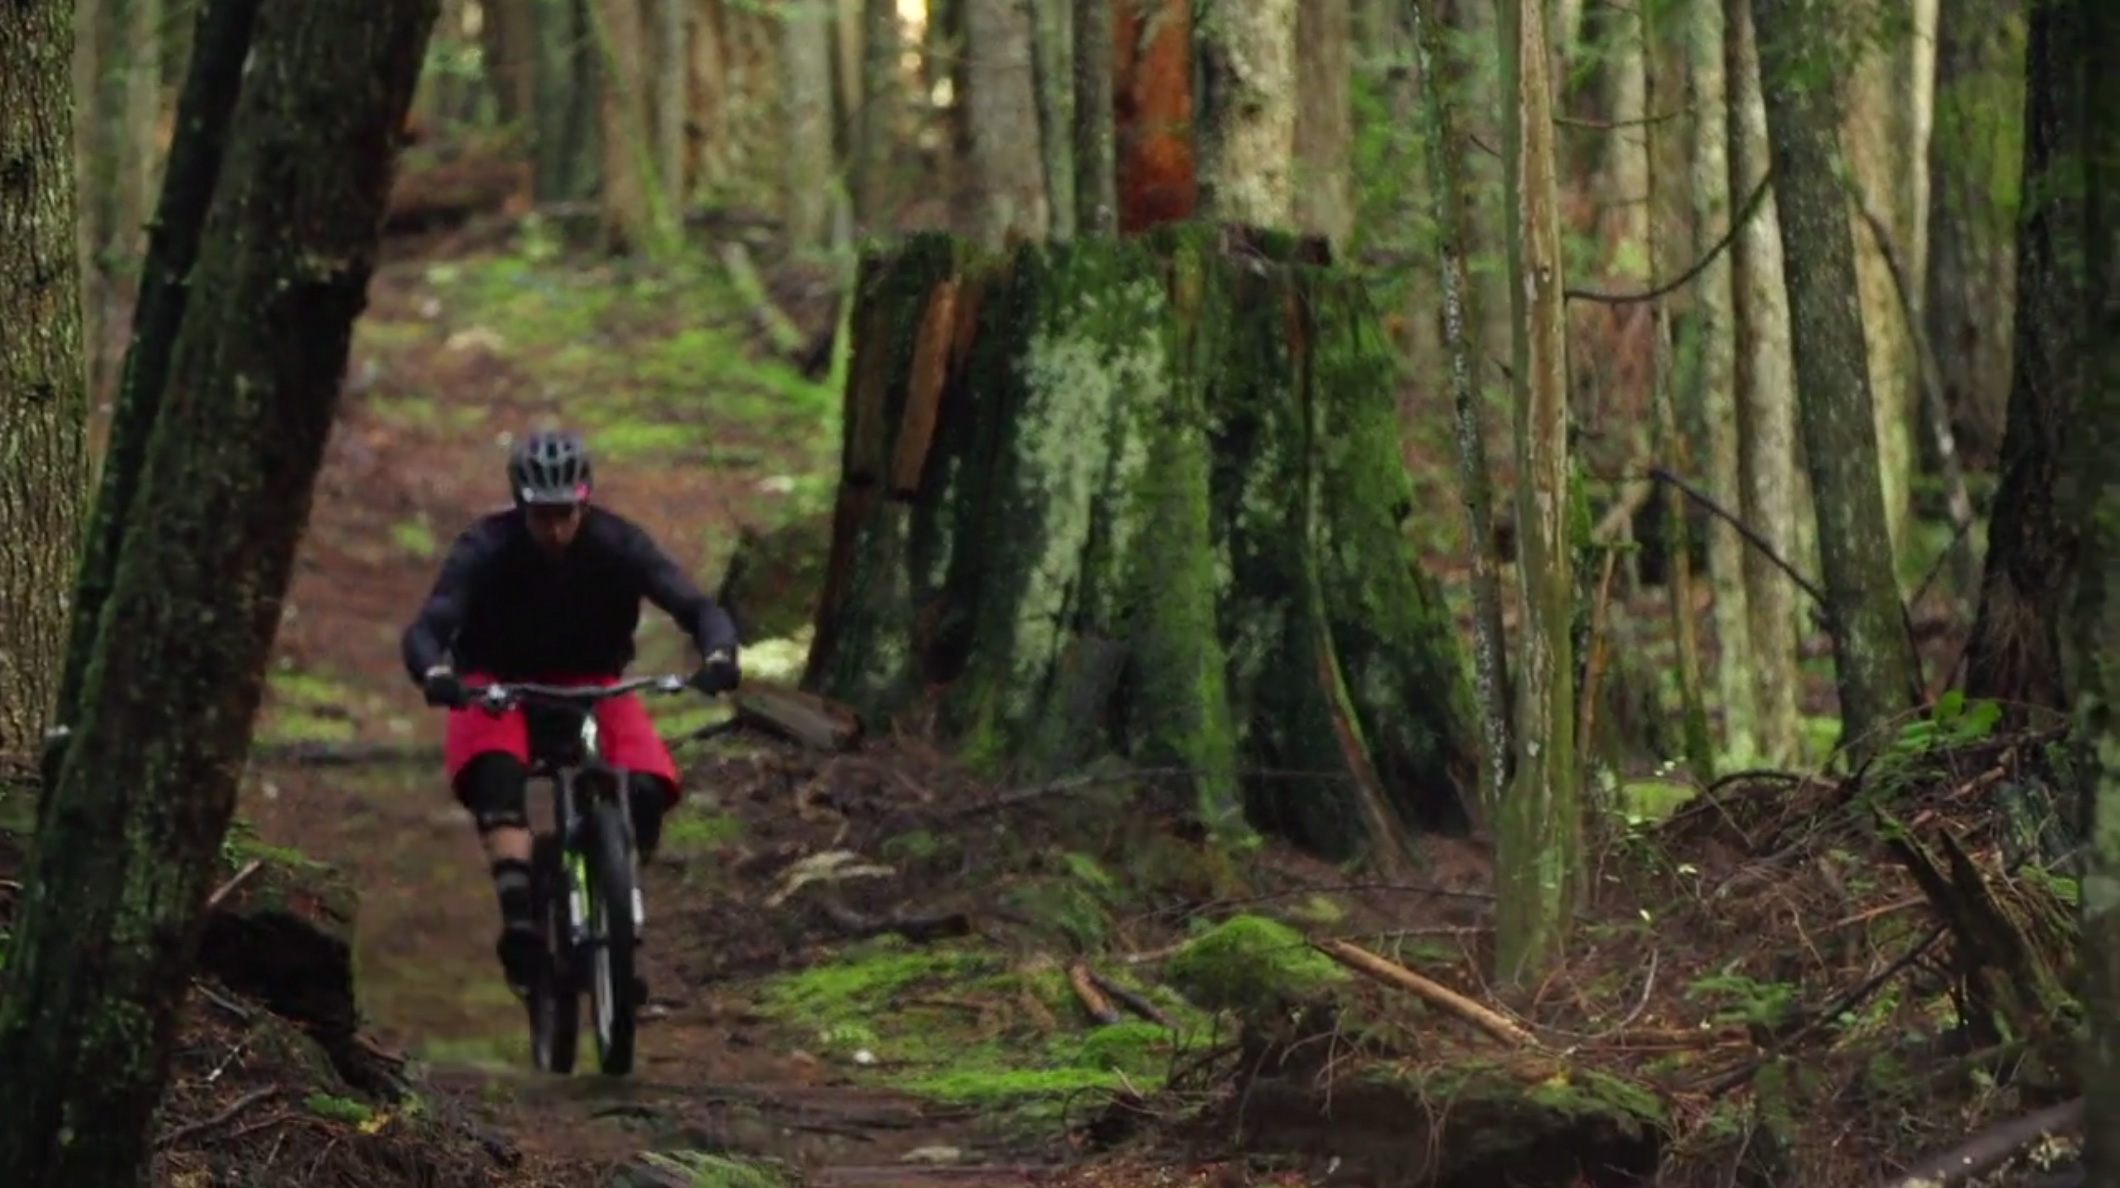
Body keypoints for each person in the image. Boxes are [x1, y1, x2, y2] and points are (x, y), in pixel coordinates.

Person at [400, 429, 741, 1002]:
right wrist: (436, 673)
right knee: (498, 775)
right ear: (521, 507)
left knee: (650, 785)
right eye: (542, 518)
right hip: (497, 681)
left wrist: (719, 653)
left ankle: (612, 900)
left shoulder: (618, 543)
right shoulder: (486, 545)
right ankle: (521, 924)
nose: (555, 531)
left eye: (566, 515)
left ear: (584, 502)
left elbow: (694, 604)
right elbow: (431, 623)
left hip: (594, 683)